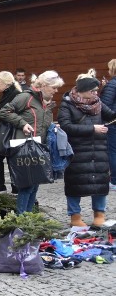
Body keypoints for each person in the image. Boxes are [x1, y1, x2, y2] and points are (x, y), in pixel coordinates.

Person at [0, 70, 64, 214]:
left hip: (39, 147)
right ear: (45, 85)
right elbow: (4, 112)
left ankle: (28, 217)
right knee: (27, 186)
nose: (56, 91)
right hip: (24, 147)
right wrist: (22, 124)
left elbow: (41, 123)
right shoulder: (25, 97)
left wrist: (52, 127)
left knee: (35, 185)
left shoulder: (45, 102)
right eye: (54, 87)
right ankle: (21, 219)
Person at [58, 73, 116, 227]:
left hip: (99, 150)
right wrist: (92, 128)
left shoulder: (98, 103)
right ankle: (75, 217)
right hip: (77, 150)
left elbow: (111, 116)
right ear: (83, 90)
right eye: (93, 91)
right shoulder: (67, 104)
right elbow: (65, 126)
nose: (96, 94)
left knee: (100, 182)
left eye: (97, 91)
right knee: (74, 184)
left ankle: (99, 215)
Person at [0, 71, 23, 193]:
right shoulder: (7, 94)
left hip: (12, 132)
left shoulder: (16, 95)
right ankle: (5, 188)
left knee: (8, 159)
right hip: (5, 131)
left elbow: (14, 114)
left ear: (5, 83)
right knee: (0, 157)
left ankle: (8, 188)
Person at [102, 59, 116, 191]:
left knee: (113, 152)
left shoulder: (112, 84)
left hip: (113, 122)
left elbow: (105, 105)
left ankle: (114, 181)